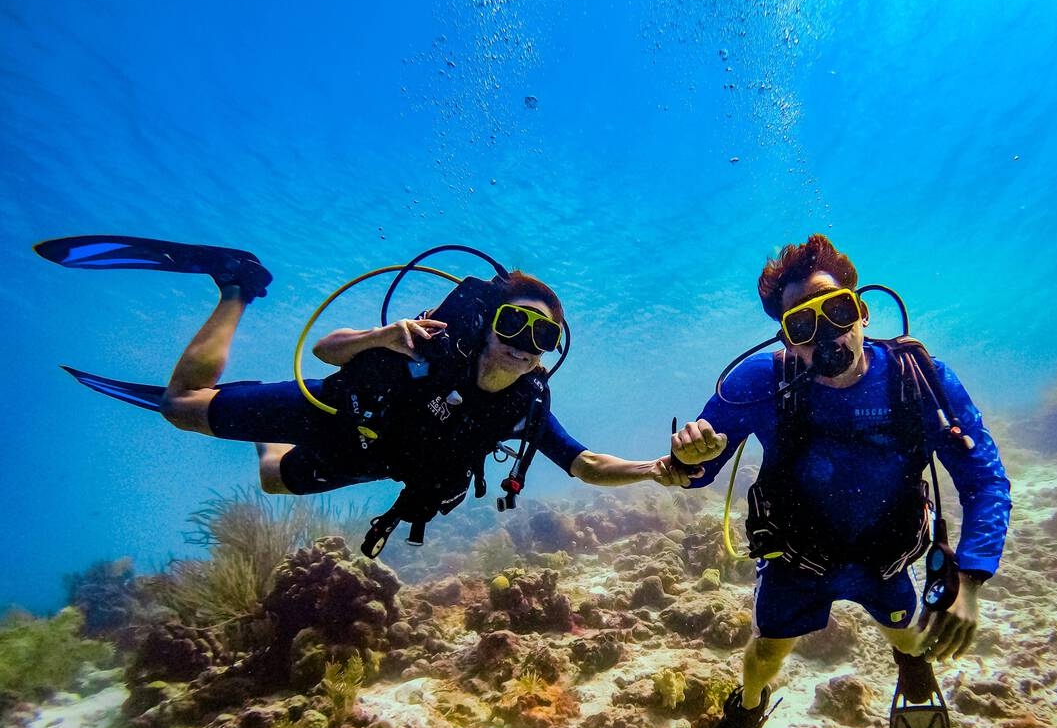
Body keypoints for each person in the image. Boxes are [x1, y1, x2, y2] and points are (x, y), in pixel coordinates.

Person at [660, 234, 1011, 728]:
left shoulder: (918, 377)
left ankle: (913, 669)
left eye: (838, 311)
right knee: (766, 651)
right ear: (785, 337)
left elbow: (984, 477)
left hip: (887, 554)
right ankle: (741, 719)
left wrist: (971, 580)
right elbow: (697, 470)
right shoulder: (758, 382)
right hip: (797, 558)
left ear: (862, 309)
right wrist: (690, 455)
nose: (827, 335)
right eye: (803, 324)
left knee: (907, 630)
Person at [40, 234, 690, 556]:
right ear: (489, 323)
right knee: (178, 407)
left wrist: (655, 470)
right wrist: (382, 336)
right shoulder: (435, 340)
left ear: (552, 350)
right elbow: (327, 349)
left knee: (272, 480)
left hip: (379, 460)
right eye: (512, 323)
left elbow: (584, 463)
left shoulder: (526, 404)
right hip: (336, 409)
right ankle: (238, 284)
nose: (522, 343)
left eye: (541, 335)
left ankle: (266, 430)